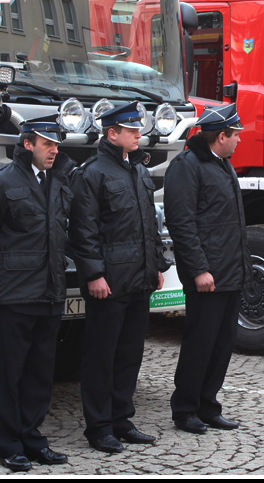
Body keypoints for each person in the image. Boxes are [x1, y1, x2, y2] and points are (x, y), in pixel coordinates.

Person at [0, 121, 74, 472]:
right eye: (48, 144)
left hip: (49, 292)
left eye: (56, 145)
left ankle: (32, 437)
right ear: (27, 144)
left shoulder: (57, 182)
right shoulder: (1, 182)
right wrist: (0, 278)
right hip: (16, 294)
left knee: (41, 373)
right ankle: (9, 444)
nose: (54, 150)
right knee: (11, 374)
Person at [69, 102, 168, 454]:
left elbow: (149, 226)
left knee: (129, 354)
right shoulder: (92, 173)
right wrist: (93, 274)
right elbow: (84, 231)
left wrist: (156, 263)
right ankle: (99, 427)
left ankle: (122, 418)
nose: (138, 133)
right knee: (101, 356)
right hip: (109, 282)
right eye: (131, 130)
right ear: (112, 134)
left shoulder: (138, 171)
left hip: (138, 278)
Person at [165, 104, 250, 432]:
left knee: (221, 343)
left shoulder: (222, 165)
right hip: (207, 276)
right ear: (221, 136)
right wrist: (199, 269)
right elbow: (182, 223)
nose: (239, 141)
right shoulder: (188, 167)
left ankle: (207, 404)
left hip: (229, 273)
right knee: (200, 342)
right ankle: (185, 409)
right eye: (236, 135)